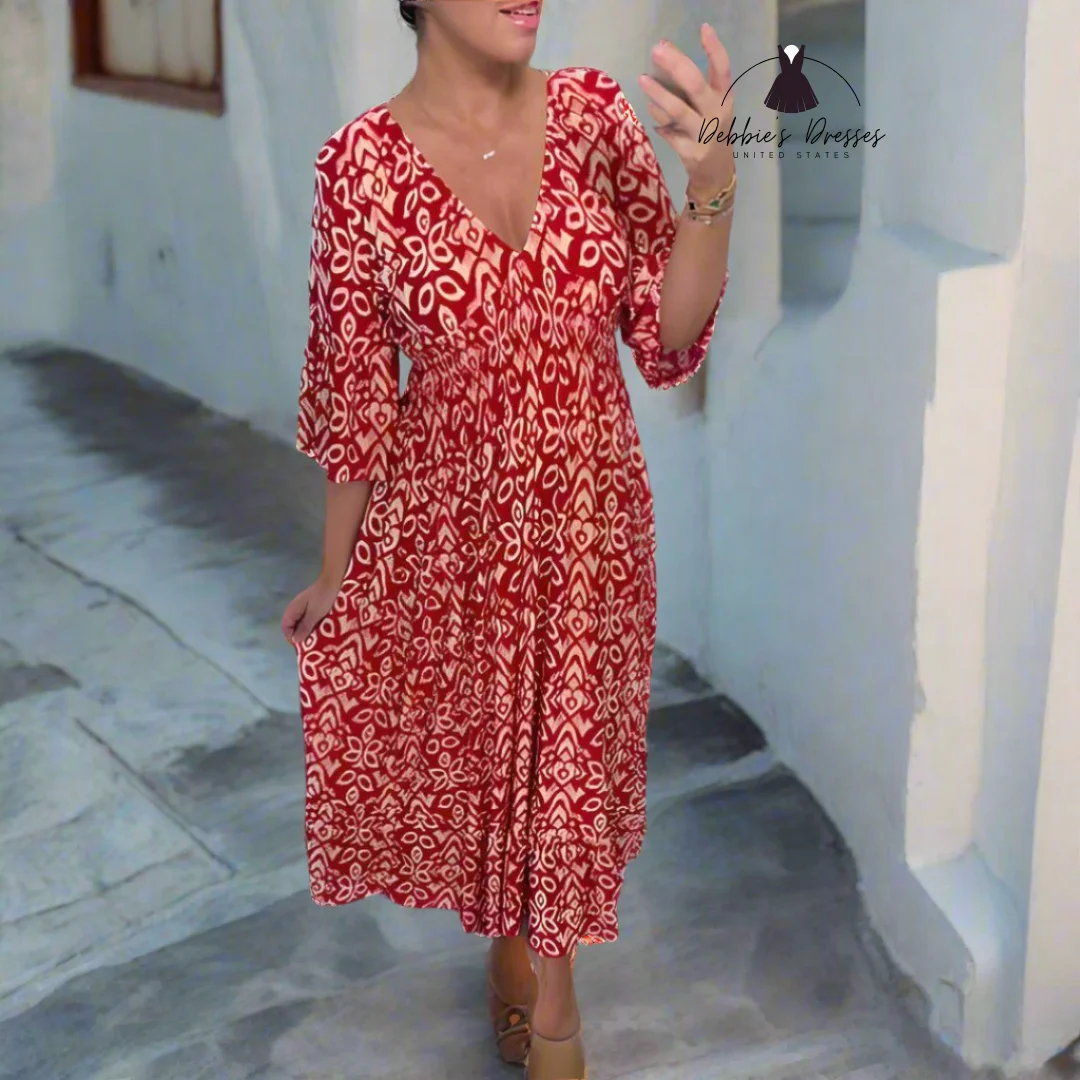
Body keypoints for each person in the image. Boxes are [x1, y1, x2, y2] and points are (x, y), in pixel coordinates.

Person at [280, 2, 736, 1076]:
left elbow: (666, 335)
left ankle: (557, 1006)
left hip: (591, 524)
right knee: (496, 765)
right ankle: (511, 942)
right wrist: (337, 573)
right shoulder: (359, 168)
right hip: (452, 536)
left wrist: (713, 185)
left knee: (568, 770)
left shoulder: (592, 117)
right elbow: (354, 397)